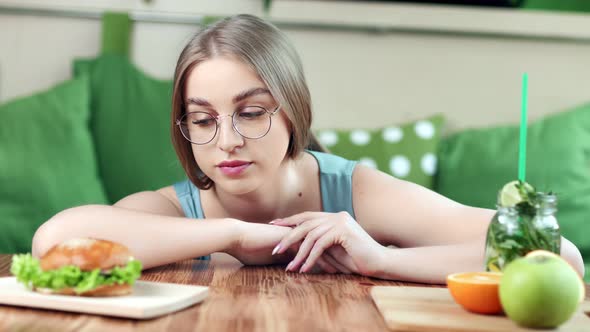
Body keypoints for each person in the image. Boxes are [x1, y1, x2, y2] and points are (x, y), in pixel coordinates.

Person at [32, 14, 584, 284]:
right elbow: (54, 240)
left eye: (250, 112)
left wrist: (382, 259)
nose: (226, 140)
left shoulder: (355, 192)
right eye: (202, 119)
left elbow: (558, 256)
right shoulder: (180, 211)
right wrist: (236, 234)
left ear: (293, 110)